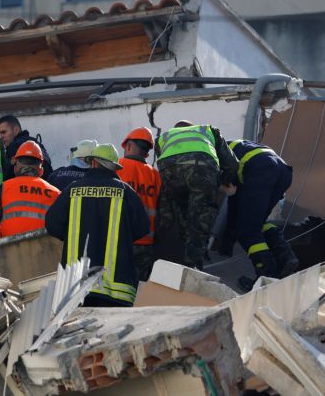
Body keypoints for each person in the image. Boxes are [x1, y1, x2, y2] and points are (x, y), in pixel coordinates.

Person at [45, 144, 149, 307]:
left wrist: (73, 235)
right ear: (115, 167)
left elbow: (52, 224)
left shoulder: (72, 190)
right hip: (117, 290)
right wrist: (122, 236)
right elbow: (143, 228)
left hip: (76, 289)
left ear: (93, 162)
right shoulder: (126, 192)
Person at [156, 120, 238, 269]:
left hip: (169, 169)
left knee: (181, 213)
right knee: (200, 218)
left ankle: (176, 256)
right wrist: (224, 180)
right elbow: (233, 164)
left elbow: (161, 159)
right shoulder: (207, 130)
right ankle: (192, 266)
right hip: (201, 168)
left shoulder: (165, 137)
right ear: (191, 128)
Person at [221, 139, 299, 290]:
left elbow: (233, 201)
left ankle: (267, 277)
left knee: (248, 231)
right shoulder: (235, 146)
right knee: (258, 222)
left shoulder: (217, 156)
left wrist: (228, 240)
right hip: (283, 172)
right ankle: (285, 257)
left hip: (261, 171)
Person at [0, 141, 60, 238]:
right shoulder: (56, 193)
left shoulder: (4, 188)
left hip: (8, 245)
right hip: (44, 245)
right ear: (41, 169)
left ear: (16, 167)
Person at [117, 127, 162, 281]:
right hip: (145, 241)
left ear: (129, 145)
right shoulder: (155, 175)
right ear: (147, 153)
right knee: (139, 285)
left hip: (119, 238)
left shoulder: (117, 166)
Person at [0, 115, 53, 180]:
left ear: (16, 130)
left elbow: (7, 176)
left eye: (3, 132)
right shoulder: (36, 143)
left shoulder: (14, 146)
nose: (1, 137)